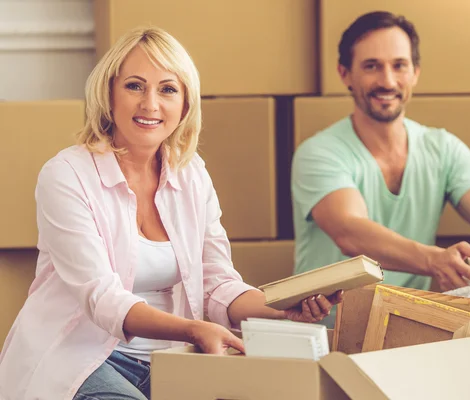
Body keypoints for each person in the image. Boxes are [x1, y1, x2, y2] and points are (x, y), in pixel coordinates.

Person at [0, 27, 341, 400]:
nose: (150, 104)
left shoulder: (192, 173)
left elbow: (217, 283)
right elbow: (102, 297)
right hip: (81, 358)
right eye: (134, 86)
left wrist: (280, 308)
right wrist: (194, 330)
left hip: (171, 358)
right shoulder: (66, 175)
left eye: (167, 89)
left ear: (185, 104)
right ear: (108, 92)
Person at [291, 11, 470, 325]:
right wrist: (433, 259)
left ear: (415, 72)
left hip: (409, 327)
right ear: (345, 73)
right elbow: (350, 231)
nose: (387, 81)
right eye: (372, 66)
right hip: (329, 332)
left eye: (399, 65)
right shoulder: (319, 152)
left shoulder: (442, 148)